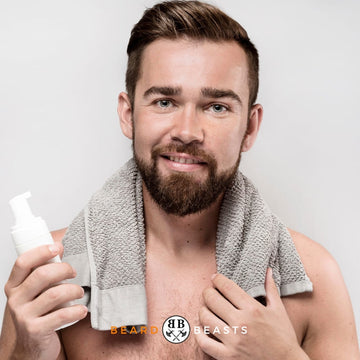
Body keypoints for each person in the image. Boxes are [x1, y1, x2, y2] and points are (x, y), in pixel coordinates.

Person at [1, 1, 359, 359]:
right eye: (164, 102)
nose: (187, 132)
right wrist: (25, 352)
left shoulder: (314, 279)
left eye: (217, 107)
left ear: (249, 127)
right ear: (128, 115)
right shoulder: (54, 277)